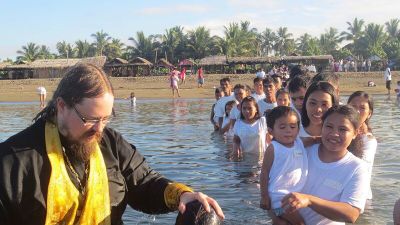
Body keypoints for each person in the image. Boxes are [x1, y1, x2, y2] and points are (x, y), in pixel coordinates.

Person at [0, 64, 224, 224]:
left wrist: (183, 195)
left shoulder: (111, 143)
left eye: (105, 119)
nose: (99, 129)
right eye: (90, 120)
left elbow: (145, 183)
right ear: (61, 106)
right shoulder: (12, 161)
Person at [280, 105, 369, 224]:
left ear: (355, 133)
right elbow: (273, 189)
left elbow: (351, 214)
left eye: (343, 129)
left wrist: (309, 200)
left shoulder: (357, 168)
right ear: (322, 127)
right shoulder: (302, 152)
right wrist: (276, 217)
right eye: (329, 126)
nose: (334, 134)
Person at [260, 106, 308, 225]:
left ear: (298, 129)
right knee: (300, 223)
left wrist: (322, 139)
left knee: (283, 223)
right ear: (271, 131)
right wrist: (264, 196)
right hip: (278, 198)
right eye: (282, 127)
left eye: (292, 126)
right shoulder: (273, 148)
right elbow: (264, 173)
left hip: (292, 198)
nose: (288, 130)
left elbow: (313, 140)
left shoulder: (299, 143)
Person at [347, 91, 377, 200]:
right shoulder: (338, 131)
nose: (357, 111)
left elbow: (361, 167)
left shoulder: (369, 140)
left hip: (360, 197)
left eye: (362, 108)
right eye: (353, 106)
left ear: (369, 114)